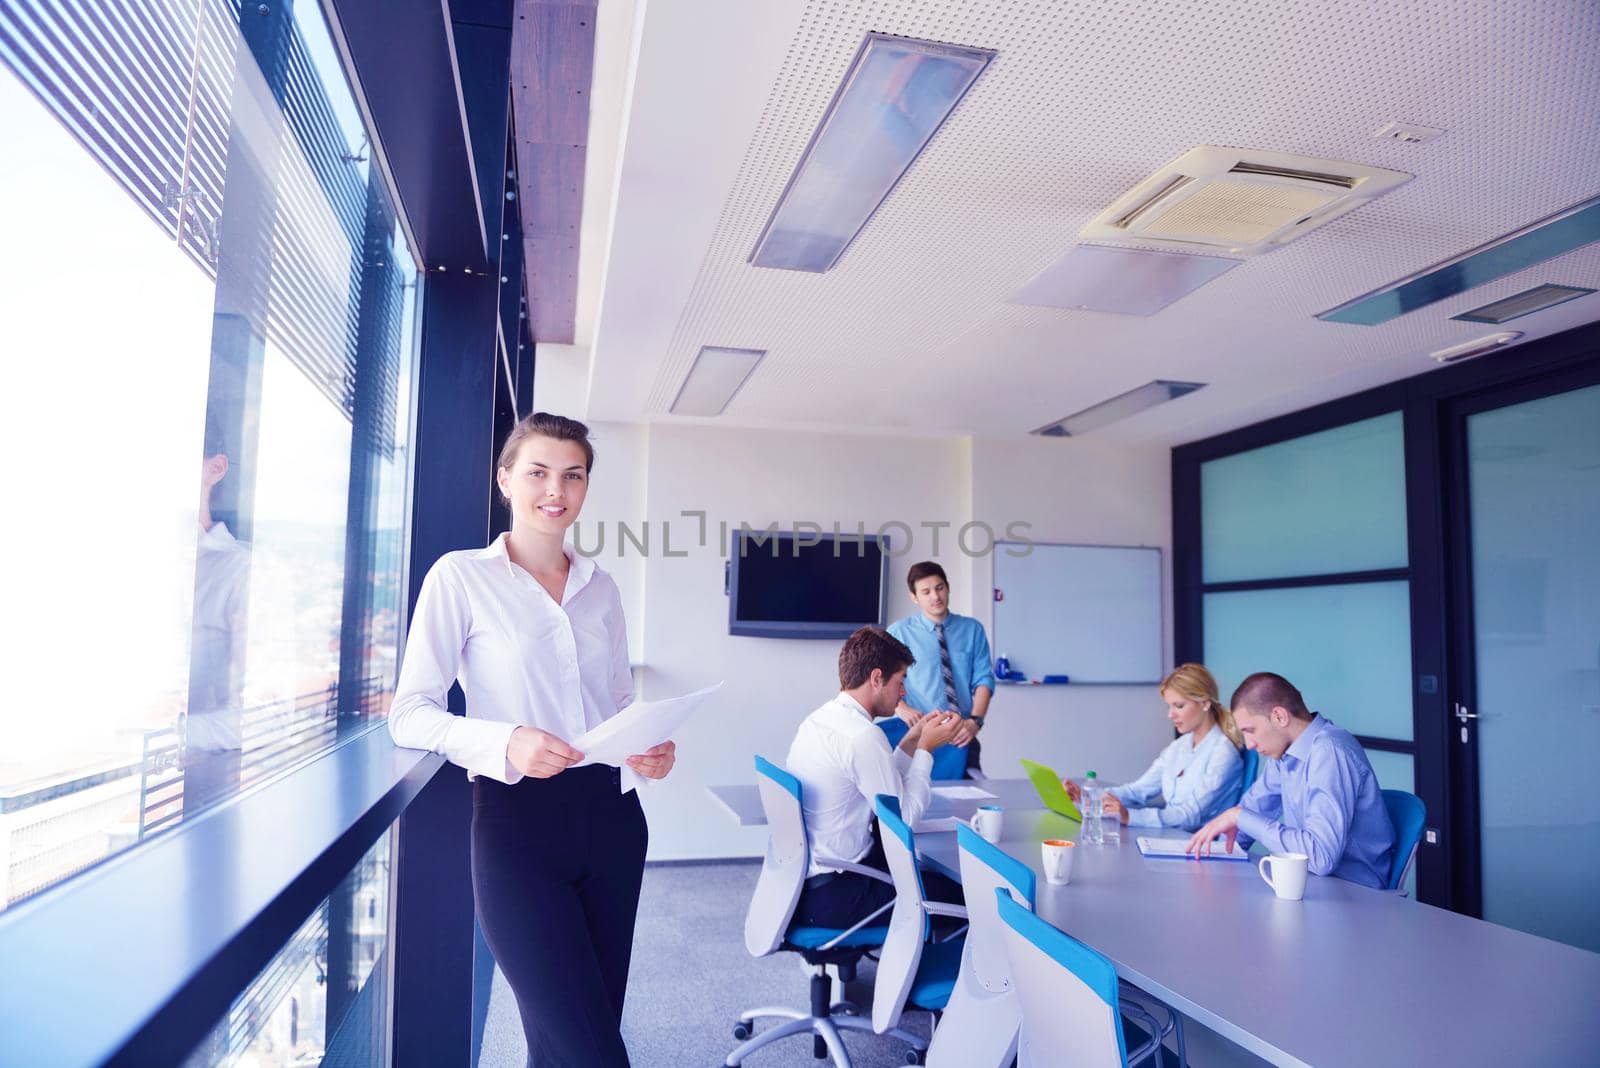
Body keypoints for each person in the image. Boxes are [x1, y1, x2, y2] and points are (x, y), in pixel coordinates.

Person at [389, 413, 676, 1067]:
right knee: (595, 1051)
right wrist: (506, 741)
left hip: (613, 821)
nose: (556, 489)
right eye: (539, 472)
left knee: (567, 1040)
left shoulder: (601, 587)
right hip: (518, 828)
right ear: (505, 480)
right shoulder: (461, 578)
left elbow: (619, 702)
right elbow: (410, 714)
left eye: (572, 475)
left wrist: (650, 746)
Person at [785, 626, 964, 929]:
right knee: (961, 899)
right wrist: (926, 749)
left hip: (807, 883)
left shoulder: (820, 720)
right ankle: (924, 975)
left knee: (927, 878)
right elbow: (903, 821)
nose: (904, 692)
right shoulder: (863, 736)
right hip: (839, 891)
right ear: (877, 678)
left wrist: (911, 739)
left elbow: (880, 784)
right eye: (901, 681)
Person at [1186, 672, 1395, 889]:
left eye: (1251, 731)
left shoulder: (1329, 751)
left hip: (1355, 894)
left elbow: (1320, 858)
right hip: (1308, 885)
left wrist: (1240, 817)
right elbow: (1251, 813)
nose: (1249, 744)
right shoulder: (1284, 755)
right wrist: (1217, 854)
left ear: (1279, 716)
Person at [1064, 663, 1243, 832]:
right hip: (1171, 836)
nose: (1170, 715)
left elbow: (1190, 816)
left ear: (1205, 703)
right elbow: (1137, 791)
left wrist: (1129, 816)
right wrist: (1089, 797)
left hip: (1200, 846)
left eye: (1179, 706)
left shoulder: (1224, 753)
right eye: (1168, 706)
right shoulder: (1178, 747)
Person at [886, 561, 995, 778]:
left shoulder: (972, 629)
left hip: (960, 734)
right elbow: (885, 681)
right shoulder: (899, 632)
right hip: (917, 734)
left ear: (947, 587)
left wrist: (975, 722)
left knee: (972, 797)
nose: (935, 597)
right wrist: (901, 708)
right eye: (926, 592)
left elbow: (984, 680)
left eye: (939, 588)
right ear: (914, 597)